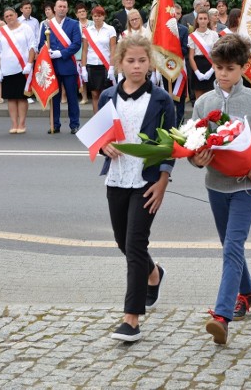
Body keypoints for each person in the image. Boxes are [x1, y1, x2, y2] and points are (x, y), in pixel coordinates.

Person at [190, 34, 251, 345]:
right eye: (218, 68)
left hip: (246, 186)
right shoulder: (204, 102)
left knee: (233, 246)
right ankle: (246, 293)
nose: (222, 74)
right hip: (215, 186)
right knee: (230, 246)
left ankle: (221, 316)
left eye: (230, 68)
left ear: (243, 68)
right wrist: (196, 159)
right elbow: (192, 145)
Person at [98, 35, 175, 342]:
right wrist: (104, 146)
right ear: (120, 62)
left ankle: (131, 319)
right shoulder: (107, 96)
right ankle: (154, 273)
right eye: (130, 60)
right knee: (123, 241)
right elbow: (98, 137)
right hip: (116, 179)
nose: (137, 66)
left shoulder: (161, 99)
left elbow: (172, 143)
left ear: (150, 62)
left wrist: (163, 181)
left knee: (134, 245)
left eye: (142, 60)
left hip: (147, 181)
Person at [41, 0, 83, 133]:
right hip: (52, 67)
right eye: (60, 6)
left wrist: (61, 53)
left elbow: (77, 44)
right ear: (54, 8)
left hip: (68, 65)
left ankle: (74, 124)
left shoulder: (74, 24)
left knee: (72, 97)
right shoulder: (46, 25)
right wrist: (46, 52)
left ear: (67, 9)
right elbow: (41, 45)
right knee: (54, 98)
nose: (62, 9)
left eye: (65, 7)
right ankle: (55, 124)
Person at [0, 7, 36, 134]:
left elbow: (32, 47)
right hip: (7, 69)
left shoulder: (26, 28)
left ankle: (22, 123)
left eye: (11, 15)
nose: (9, 18)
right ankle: (14, 124)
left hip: (22, 69)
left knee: (22, 98)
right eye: (6, 16)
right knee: (11, 98)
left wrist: (29, 63)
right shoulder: (1, 31)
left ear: (16, 15)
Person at [81, 5, 117, 114]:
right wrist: (83, 68)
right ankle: (96, 119)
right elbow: (85, 50)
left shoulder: (110, 29)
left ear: (104, 17)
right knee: (94, 94)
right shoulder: (87, 30)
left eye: (99, 16)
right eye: (95, 16)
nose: (97, 18)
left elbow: (113, 49)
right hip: (91, 65)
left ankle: (106, 118)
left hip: (105, 65)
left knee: (105, 94)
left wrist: (111, 67)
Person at [189, 10, 219, 101]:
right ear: (197, 20)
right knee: (199, 99)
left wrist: (211, 71)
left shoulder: (214, 34)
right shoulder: (192, 36)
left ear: (208, 20)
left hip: (211, 65)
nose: (202, 21)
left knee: (212, 98)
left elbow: (216, 54)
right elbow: (191, 56)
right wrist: (197, 72)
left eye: (205, 18)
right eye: (200, 18)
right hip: (197, 65)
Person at [74, 3, 93, 105]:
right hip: (78, 54)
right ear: (76, 15)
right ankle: (84, 97)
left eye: (83, 11)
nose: (82, 13)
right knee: (81, 77)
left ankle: (96, 96)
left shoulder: (92, 23)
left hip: (91, 53)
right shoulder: (74, 25)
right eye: (79, 12)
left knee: (91, 76)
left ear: (87, 12)